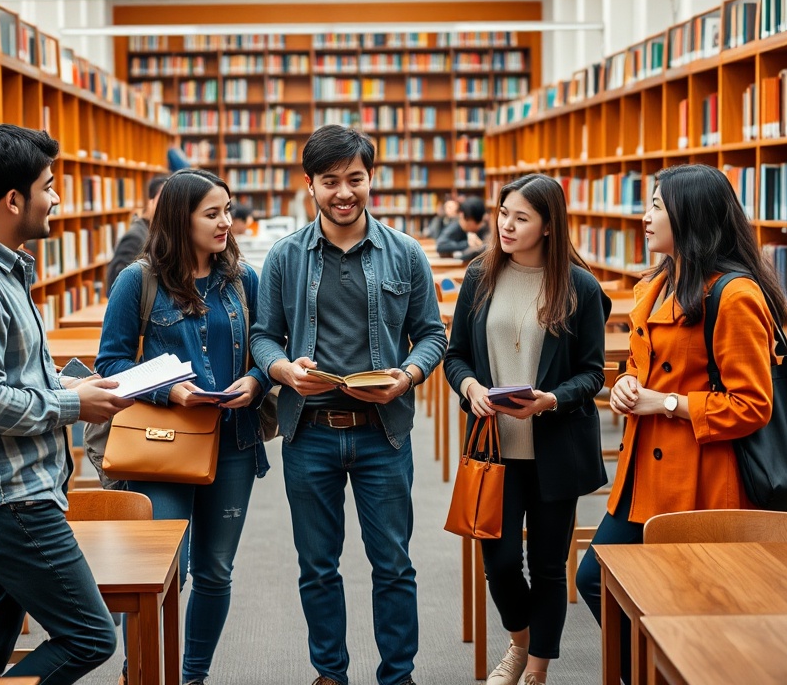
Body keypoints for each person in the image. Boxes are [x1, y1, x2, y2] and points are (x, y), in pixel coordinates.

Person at [0, 124, 133, 682]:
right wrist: (72, 406)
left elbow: (13, 373)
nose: (55, 198)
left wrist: (72, 387)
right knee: (90, 636)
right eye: (48, 186)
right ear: (14, 200)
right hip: (7, 499)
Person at [249, 124, 448, 685]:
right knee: (317, 567)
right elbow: (264, 336)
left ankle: (398, 676)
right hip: (309, 432)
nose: (343, 192)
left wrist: (407, 376)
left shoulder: (405, 253)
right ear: (309, 184)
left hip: (382, 431)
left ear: (371, 179)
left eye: (355, 179)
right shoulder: (285, 257)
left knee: (394, 564)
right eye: (330, 180)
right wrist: (283, 370)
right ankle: (330, 674)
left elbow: (432, 334)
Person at [575, 163, 787, 681]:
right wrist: (626, 384)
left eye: (656, 207)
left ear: (690, 217)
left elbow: (752, 404)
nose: (644, 218)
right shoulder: (655, 285)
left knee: (693, 603)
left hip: (703, 478)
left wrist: (666, 404)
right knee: (597, 579)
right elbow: (643, 362)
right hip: (643, 475)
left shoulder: (735, 296)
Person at [95, 169, 271, 685]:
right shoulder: (139, 280)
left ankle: (191, 676)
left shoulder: (243, 280)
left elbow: (265, 347)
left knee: (216, 571)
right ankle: (140, 672)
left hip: (233, 440)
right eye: (212, 213)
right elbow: (110, 363)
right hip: (162, 445)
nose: (225, 222)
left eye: (228, 210)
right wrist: (167, 390)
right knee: (165, 571)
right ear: (180, 218)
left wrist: (257, 381)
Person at [444, 174, 610, 685]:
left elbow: (593, 373)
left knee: (548, 565)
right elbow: (455, 355)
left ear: (548, 226)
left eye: (521, 217)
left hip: (555, 447)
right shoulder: (480, 276)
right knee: (498, 562)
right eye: (503, 213)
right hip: (493, 447)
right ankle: (520, 643)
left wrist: (550, 400)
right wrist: (470, 386)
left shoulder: (580, 287)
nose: (506, 225)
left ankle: (537, 670)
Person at [105, 172, 169, 293]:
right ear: (150, 202)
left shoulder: (156, 234)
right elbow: (118, 284)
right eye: (163, 200)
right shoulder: (135, 238)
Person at [436, 195, 489, 260]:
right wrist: (467, 243)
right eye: (477, 223)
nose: (479, 226)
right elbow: (440, 246)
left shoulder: (482, 228)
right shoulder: (454, 227)